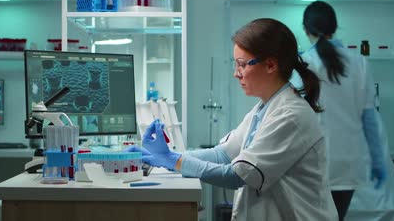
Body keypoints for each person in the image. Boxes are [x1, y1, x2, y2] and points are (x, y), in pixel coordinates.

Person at [131, 18, 338, 220]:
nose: (236, 74)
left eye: (242, 64)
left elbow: (236, 176)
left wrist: (174, 160)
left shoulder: (291, 115)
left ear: (270, 65)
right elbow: (222, 155)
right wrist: (166, 158)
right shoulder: (264, 108)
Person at [294, 1, 386, 221]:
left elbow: (294, 118)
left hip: (313, 164)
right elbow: (370, 119)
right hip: (348, 163)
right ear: (334, 28)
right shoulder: (359, 63)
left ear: (306, 30)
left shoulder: (305, 63)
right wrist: (378, 160)